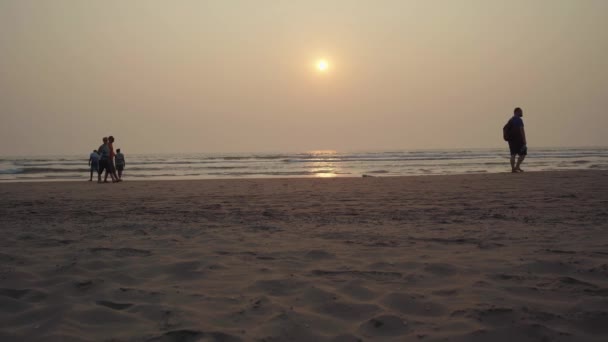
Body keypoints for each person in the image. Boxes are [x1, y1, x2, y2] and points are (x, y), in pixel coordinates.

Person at [505, 107, 527, 173]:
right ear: (516, 112)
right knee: (523, 153)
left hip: (511, 140)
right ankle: (517, 166)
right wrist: (524, 140)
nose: (522, 113)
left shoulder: (510, 120)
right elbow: (522, 130)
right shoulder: (519, 120)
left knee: (513, 154)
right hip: (518, 139)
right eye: (521, 111)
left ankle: (513, 169)